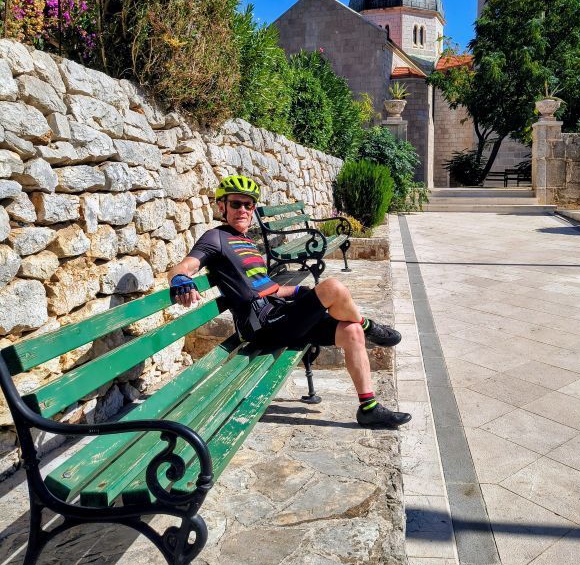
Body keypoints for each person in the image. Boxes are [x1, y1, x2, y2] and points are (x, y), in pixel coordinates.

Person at [168, 174, 412, 429]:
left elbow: (269, 288)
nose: (242, 210)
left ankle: (369, 408)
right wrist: (181, 279)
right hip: (262, 326)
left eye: (248, 205)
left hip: (280, 316)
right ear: (222, 207)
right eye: (236, 204)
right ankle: (369, 326)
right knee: (333, 288)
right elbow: (182, 267)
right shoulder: (215, 238)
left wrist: (297, 291)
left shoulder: (246, 241)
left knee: (351, 331)